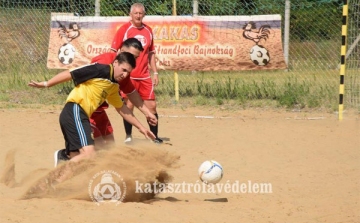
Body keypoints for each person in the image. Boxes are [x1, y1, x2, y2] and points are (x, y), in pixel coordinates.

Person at [28, 52, 156, 167]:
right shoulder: (100, 69)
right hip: (76, 110)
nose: (125, 75)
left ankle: (62, 166)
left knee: (78, 157)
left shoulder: (113, 85)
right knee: (90, 154)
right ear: (116, 62)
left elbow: (122, 108)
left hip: (79, 114)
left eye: (128, 72)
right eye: (123, 70)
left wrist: (141, 128)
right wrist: (46, 84)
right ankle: (51, 181)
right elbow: (71, 73)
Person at [90, 38, 157, 147]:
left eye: (135, 58)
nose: (132, 60)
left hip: (99, 108)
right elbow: (74, 74)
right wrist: (50, 83)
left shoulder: (123, 73)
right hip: (84, 107)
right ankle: (66, 155)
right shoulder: (104, 62)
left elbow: (131, 93)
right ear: (120, 51)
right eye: (130, 55)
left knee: (109, 144)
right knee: (96, 146)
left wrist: (147, 113)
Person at [111, 2, 163, 144]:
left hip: (144, 76)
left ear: (144, 15)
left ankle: (155, 137)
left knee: (151, 106)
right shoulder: (124, 30)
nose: (138, 16)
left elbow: (151, 53)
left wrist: (156, 73)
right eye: (136, 13)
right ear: (131, 14)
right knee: (129, 105)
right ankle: (129, 136)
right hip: (129, 76)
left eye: (141, 13)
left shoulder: (148, 30)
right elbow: (114, 51)